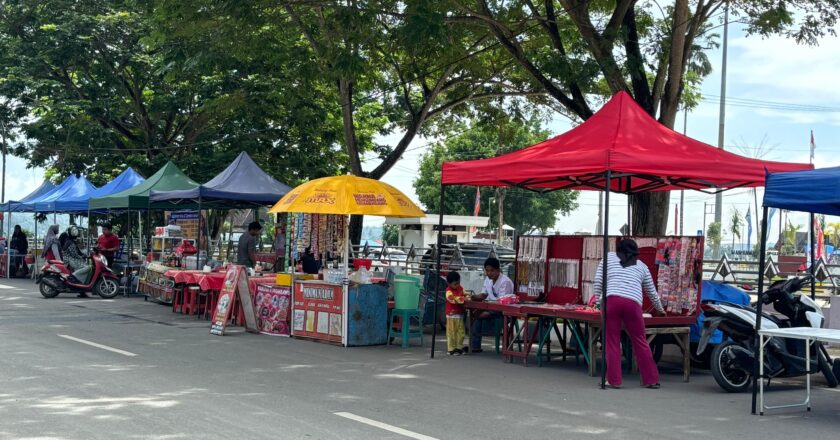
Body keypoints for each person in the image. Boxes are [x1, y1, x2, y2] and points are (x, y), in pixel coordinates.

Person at [594, 238, 666, 389]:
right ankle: (651, 379)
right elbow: (652, 292)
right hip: (633, 303)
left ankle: (614, 380)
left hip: (611, 301)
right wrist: (660, 309)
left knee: (612, 341)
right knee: (640, 340)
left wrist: (598, 303)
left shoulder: (607, 258)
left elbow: (598, 282)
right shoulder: (642, 266)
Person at [469, 257, 515, 353]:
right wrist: (473, 297)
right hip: (491, 307)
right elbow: (484, 294)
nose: (489, 273)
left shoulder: (505, 282)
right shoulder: (487, 279)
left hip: (503, 311)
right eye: (487, 271)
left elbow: (502, 302)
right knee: (474, 314)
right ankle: (475, 346)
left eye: (492, 271)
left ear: (498, 270)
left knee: (481, 314)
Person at [61, 226, 91, 297]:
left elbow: (78, 252)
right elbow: (74, 255)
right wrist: (83, 256)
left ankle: (81, 289)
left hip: (72, 259)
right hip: (70, 260)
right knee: (88, 267)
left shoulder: (71, 241)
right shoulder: (70, 243)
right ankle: (74, 277)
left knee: (86, 266)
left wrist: (84, 255)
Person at [445, 271, 467, 356]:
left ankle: (459, 347)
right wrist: (462, 299)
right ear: (449, 283)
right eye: (455, 284)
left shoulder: (460, 288)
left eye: (458, 283)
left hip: (460, 314)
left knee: (460, 332)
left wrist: (467, 297)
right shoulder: (448, 291)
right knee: (451, 332)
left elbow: (465, 294)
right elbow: (451, 299)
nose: (457, 285)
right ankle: (451, 349)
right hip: (451, 315)